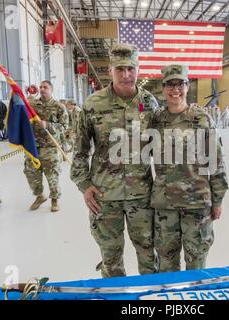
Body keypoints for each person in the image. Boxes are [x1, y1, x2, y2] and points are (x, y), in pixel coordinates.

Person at [70, 44, 159, 278]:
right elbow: (79, 150)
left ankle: (150, 298)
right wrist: (83, 185)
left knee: (148, 253)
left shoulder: (150, 103)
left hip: (142, 194)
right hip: (104, 195)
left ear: (138, 69)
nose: (126, 74)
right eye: (120, 69)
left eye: (131, 68)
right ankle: (116, 296)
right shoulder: (93, 104)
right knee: (110, 256)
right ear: (110, 70)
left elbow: (161, 150)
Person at [150, 65, 228, 272]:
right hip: (165, 205)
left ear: (187, 86)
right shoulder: (156, 120)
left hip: (197, 205)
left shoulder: (202, 120)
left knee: (196, 263)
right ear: (163, 87)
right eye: (170, 84)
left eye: (180, 84)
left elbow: (217, 163)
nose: (175, 89)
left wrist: (218, 200)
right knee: (167, 263)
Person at [24, 80, 69, 212]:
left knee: (52, 175)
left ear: (51, 90)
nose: (42, 89)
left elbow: (65, 127)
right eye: (41, 87)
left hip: (50, 147)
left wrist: (48, 125)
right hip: (33, 146)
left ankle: (54, 200)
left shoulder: (59, 107)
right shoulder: (32, 105)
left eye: (45, 87)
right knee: (31, 173)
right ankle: (39, 196)